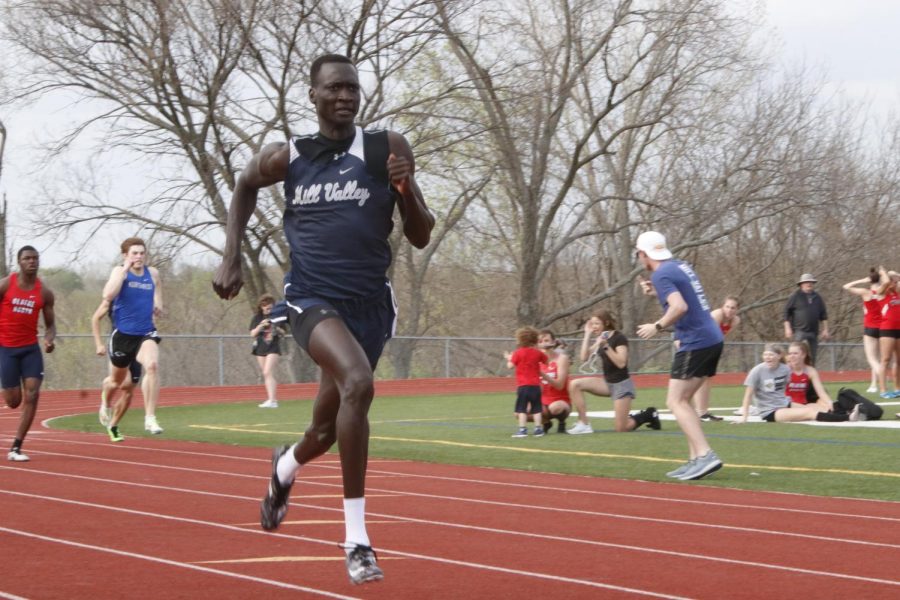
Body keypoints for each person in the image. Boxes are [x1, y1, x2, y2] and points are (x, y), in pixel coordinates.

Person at [211, 53, 434, 585]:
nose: (346, 97)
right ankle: (358, 540)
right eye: (334, 88)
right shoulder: (288, 157)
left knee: (324, 430)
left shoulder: (386, 148)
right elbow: (243, 185)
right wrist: (231, 252)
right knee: (358, 383)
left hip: (371, 307)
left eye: (353, 88)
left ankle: (284, 468)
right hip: (311, 299)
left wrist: (404, 191)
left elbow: (421, 233)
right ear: (312, 95)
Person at [635, 231, 723, 481]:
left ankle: (705, 455)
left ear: (643, 254)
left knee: (675, 401)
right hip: (711, 337)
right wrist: (656, 293)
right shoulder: (679, 266)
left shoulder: (661, 273)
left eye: (639, 254)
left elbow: (680, 307)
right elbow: (687, 297)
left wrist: (657, 326)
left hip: (696, 341)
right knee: (685, 401)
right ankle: (696, 459)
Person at [98, 237, 164, 442]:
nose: (139, 257)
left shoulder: (152, 273)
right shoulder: (119, 272)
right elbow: (108, 294)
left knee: (152, 366)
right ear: (126, 255)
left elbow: (158, 287)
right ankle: (105, 401)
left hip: (145, 332)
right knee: (117, 382)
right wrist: (124, 270)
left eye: (142, 253)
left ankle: (150, 417)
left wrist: (158, 304)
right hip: (123, 335)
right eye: (134, 253)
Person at [0, 246, 56, 462]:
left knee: (32, 395)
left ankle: (16, 447)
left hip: (30, 349)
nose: (32, 261)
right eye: (27, 258)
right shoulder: (6, 285)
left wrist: (49, 339)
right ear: (19, 262)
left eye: (35, 258)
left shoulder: (44, 293)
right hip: (6, 349)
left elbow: (50, 325)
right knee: (14, 401)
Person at [567, 309, 659, 434]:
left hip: (622, 385)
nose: (594, 327)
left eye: (597, 323)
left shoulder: (619, 338)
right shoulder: (601, 338)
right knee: (575, 384)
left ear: (607, 323)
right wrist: (587, 334)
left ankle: (648, 414)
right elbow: (584, 357)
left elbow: (621, 363)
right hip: (607, 384)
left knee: (621, 428)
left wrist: (606, 346)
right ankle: (584, 424)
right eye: (592, 324)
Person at [736, 342, 859, 423]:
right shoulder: (757, 371)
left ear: (779, 356)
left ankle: (851, 412)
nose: (768, 357)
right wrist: (744, 417)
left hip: (785, 403)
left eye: (771, 355)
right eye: (765, 355)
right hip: (771, 411)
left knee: (819, 408)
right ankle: (847, 418)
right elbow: (748, 396)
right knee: (810, 413)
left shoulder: (784, 369)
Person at [91, 297, 144, 427]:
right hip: (119, 344)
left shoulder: (141, 296)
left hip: (138, 344)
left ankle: (113, 426)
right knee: (117, 383)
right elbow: (95, 318)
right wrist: (98, 344)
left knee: (129, 387)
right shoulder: (112, 298)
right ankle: (106, 403)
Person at [693, 296, 741, 421]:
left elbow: (721, 336)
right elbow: (708, 334)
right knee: (698, 378)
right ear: (722, 307)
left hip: (710, 345)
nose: (730, 310)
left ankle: (703, 411)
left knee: (707, 379)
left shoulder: (735, 321)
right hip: (696, 342)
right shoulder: (717, 315)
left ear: (737, 310)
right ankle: (697, 411)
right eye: (728, 307)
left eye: (733, 308)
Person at [842, 269, 884, 393]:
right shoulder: (885, 292)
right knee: (877, 358)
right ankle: (873, 384)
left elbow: (846, 286)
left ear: (870, 280)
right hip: (884, 327)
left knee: (871, 359)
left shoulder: (866, 292)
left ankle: (882, 379)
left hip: (871, 327)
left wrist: (863, 280)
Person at [505, 326, 548, 438]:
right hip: (535, 386)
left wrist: (509, 358)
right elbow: (546, 360)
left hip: (523, 386)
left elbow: (510, 366)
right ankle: (538, 429)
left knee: (522, 409)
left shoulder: (518, 353)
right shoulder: (537, 353)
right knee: (537, 408)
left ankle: (522, 430)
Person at [783, 273, 829, 365]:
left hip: (813, 332)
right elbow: (786, 313)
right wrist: (787, 328)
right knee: (795, 354)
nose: (809, 284)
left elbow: (823, 315)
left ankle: (810, 376)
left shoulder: (817, 297)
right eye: (807, 282)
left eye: (811, 282)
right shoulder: (795, 296)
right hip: (799, 331)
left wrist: (825, 330)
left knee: (812, 356)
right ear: (801, 284)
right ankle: (794, 374)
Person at [250, 293, 285, 408]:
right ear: (261, 307)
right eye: (265, 306)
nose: (267, 309)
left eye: (270, 306)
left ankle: (272, 401)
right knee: (267, 374)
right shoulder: (257, 318)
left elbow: (284, 333)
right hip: (260, 347)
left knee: (267, 371)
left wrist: (276, 327)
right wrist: (260, 326)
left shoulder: (277, 316)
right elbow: (252, 334)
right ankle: (272, 399)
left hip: (273, 346)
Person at [536, 329, 572, 433]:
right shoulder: (536, 360)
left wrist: (543, 375)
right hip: (543, 400)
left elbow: (560, 385)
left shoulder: (561, 359)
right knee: (522, 411)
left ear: (553, 342)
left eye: (546, 340)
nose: (543, 344)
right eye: (540, 341)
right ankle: (546, 423)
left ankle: (562, 422)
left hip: (560, 400)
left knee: (555, 408)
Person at [876, 268, 900, 399]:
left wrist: (896, 277)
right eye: (894, 282)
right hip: (887, 330)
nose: (895, 284)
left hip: (899, 329)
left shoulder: (897, 293)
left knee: (899, 360)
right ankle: (883, 390)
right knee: (885, 359)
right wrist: (884, 273)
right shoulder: (882, 293)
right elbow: (884, 283)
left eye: (896, 282)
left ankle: (897, 388)